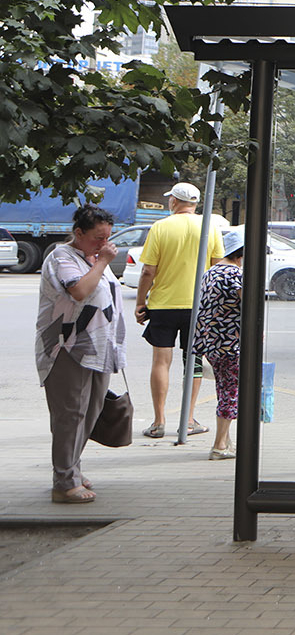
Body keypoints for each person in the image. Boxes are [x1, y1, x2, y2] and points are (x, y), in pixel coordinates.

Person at [35, 205, 126, 504]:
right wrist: (101, 262)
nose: (104, 244)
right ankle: (63, 482)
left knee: (90, 412)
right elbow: (79, 291)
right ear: (79, 233)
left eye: (107, 238)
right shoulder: (62, 257)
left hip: (99, 347)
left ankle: (72, 468)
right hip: (67, 346)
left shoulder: (94, 257)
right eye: (97, 238)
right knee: (70, 414)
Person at [135, 182, 223, 438]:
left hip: (163, 305)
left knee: (161, 362)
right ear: (195, 204)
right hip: (198, 307)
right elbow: (216, 269)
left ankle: (159, 421)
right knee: (193, 362)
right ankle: (189, 419)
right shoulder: (211, 227)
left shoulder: (160, 227)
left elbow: (148, 271)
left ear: (174, 201)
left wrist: (141, 302)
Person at [193, 228, 245, 460]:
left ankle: (226, 441)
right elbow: (249, 305)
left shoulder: (210, 273)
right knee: (230, 393)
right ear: (241, 254)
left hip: (212, 344)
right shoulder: (235, 275)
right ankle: (219, 445)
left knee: (223, 390)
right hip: (232, 344)